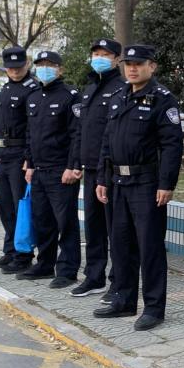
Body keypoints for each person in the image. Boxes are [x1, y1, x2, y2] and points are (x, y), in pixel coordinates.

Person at [93, 44, 183, 331]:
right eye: (128, 64)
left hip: (146, 184)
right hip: (118, 182)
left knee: (150, 248)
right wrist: (101, 178)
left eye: (139, 63)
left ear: (152, 66)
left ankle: (154, 307)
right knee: (121, 245)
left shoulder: (162, 99)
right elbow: (107, 141)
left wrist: (166, 184)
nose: (132, 68)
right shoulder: (119, 96)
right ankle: (124, 299)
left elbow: (172, 146)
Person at [20, 51, 82, 288]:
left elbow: (77, 134)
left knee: (65, 222)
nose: (44, 68)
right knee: (42, 220)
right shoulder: (33, 97)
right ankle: (45, 264)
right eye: (40, 64)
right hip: (38, 170)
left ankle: (67, 270)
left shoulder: (70, 96)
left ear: (60, 69)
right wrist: (29, 163)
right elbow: (30, 133)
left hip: (61, 171)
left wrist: (73, 166)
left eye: (50, 65)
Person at [71, 38, 126, 298]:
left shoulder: (122, 88)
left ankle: (118, 281)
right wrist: (76, 163)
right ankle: (94, 277)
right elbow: (81, 129)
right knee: (93, 227)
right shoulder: (90, 87)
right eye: (96, 53)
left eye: (106, 54)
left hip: (112, 171)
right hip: (90, 169)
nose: (100, 58)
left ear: (117, 59)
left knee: (114, 229)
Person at [0, 46, 39, 274]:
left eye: (19, 67)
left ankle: (24, 254)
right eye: (10, 68)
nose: (15, 71)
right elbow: (1, 125)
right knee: (5, 206)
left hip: (20, 155)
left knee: (20, 208)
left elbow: (32, 128)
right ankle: (10, 251)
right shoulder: (5, 88)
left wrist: (29, 158)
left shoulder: (33, 89)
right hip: (4, 155)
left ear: (26, 65)